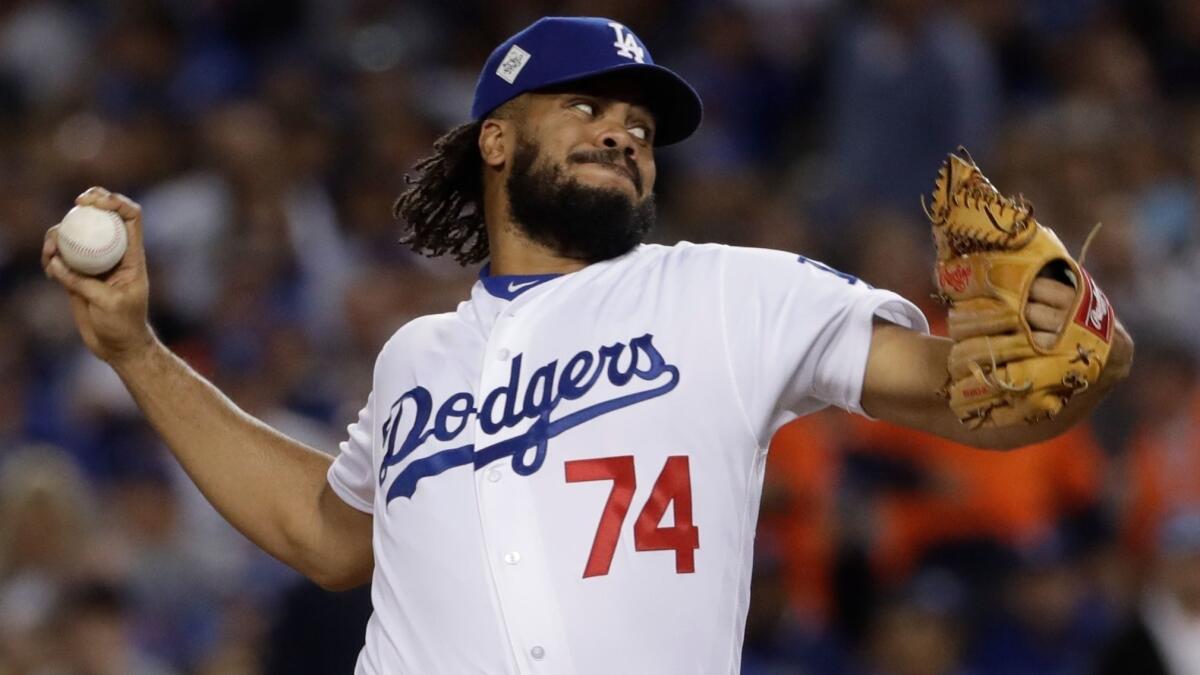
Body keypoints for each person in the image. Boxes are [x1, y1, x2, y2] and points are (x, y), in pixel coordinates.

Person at [40, 16, 1133, 675]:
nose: (626, 130)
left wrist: (1070, 338)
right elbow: (325, 535)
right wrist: (136, 349)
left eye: (644, 130)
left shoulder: (726, 290)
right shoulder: (416, 356)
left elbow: (992, 393)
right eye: (592, 107)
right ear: (500, 140)